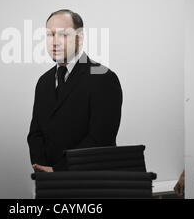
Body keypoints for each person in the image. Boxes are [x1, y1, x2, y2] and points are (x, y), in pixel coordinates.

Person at [27, 9, 123, 172]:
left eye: (63, 35)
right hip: (49, 184)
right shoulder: (44, 82)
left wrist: (58, 170)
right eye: (50, 35)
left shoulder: (104, 78)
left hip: (87, 184)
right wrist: (43, 168)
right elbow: (35, 134)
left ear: (80, 38)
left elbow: (100, 140)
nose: (54, 42)